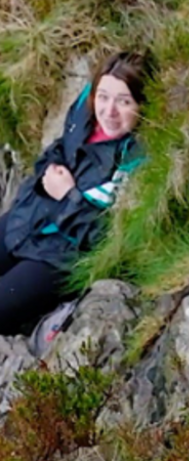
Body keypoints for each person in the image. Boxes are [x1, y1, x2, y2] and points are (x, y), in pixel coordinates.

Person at [0, 51, 152, 335]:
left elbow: (108, 238)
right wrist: (48, 175)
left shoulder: (138, 159)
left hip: (61, 255)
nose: (109, 111)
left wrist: (69, 195)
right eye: (104, 96)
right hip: (31, 215)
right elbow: (59, 147)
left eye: (124, 102)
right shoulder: (85, 108)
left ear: (143, 105)